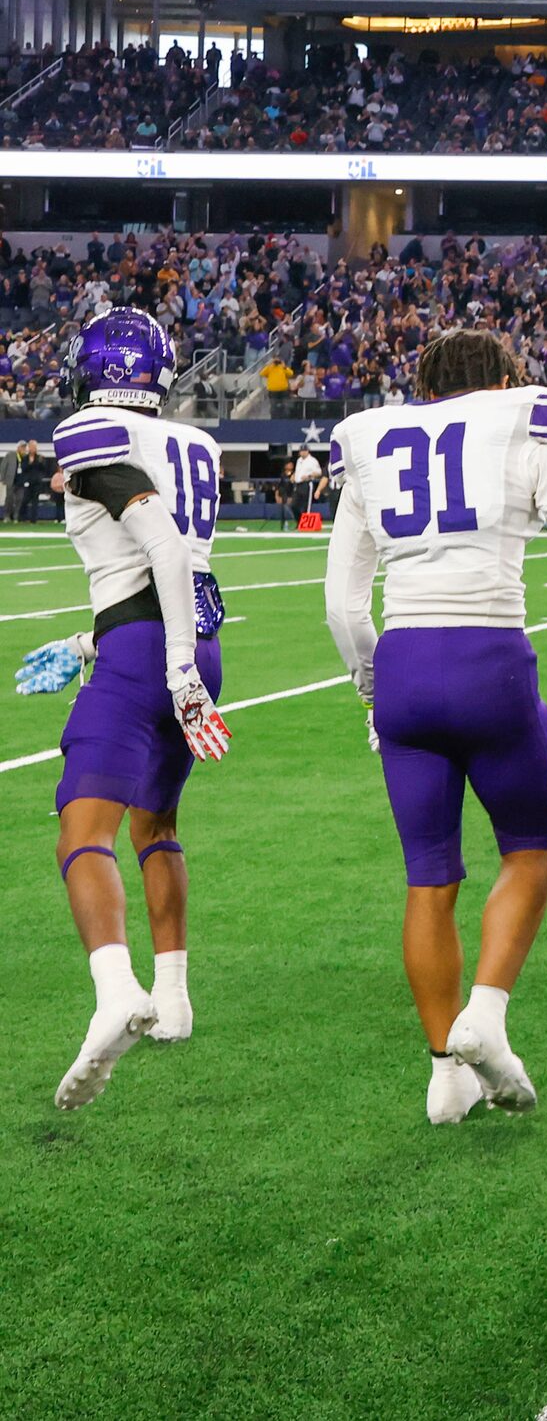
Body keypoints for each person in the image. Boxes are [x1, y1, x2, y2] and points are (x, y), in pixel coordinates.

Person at [322, 329, 547, 1125]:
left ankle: (444, 1071)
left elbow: (343, 607)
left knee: (428, 876)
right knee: (529, 851)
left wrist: (377, 694)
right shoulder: (526, 418)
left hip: (405, 663)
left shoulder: (370, 438)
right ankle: (485, 1014)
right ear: (506, 377)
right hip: (491, 659)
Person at [38, 310, 232, 1110]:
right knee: (158, 822)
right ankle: (176, 1000)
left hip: (151, 649)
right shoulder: (198, 443)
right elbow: (177, 567)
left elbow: (162, 548)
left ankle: (118, 990)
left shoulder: (86, 431)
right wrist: (99, 645)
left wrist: (167, 664)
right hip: (194, 639)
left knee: (83, 828)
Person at [289, 443, 325, 527]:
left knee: (305, 506)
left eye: (304, 451)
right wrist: (294, 476)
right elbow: (298, 471)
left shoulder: (312, 460)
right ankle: (299, 522)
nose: (302, 453)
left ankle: (304, 524)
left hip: (306, 484)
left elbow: (319, 472)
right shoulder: (299, 460)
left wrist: (309, 476)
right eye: (301, 451)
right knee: (293, 505)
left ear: (308, 451)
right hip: (298, 485)